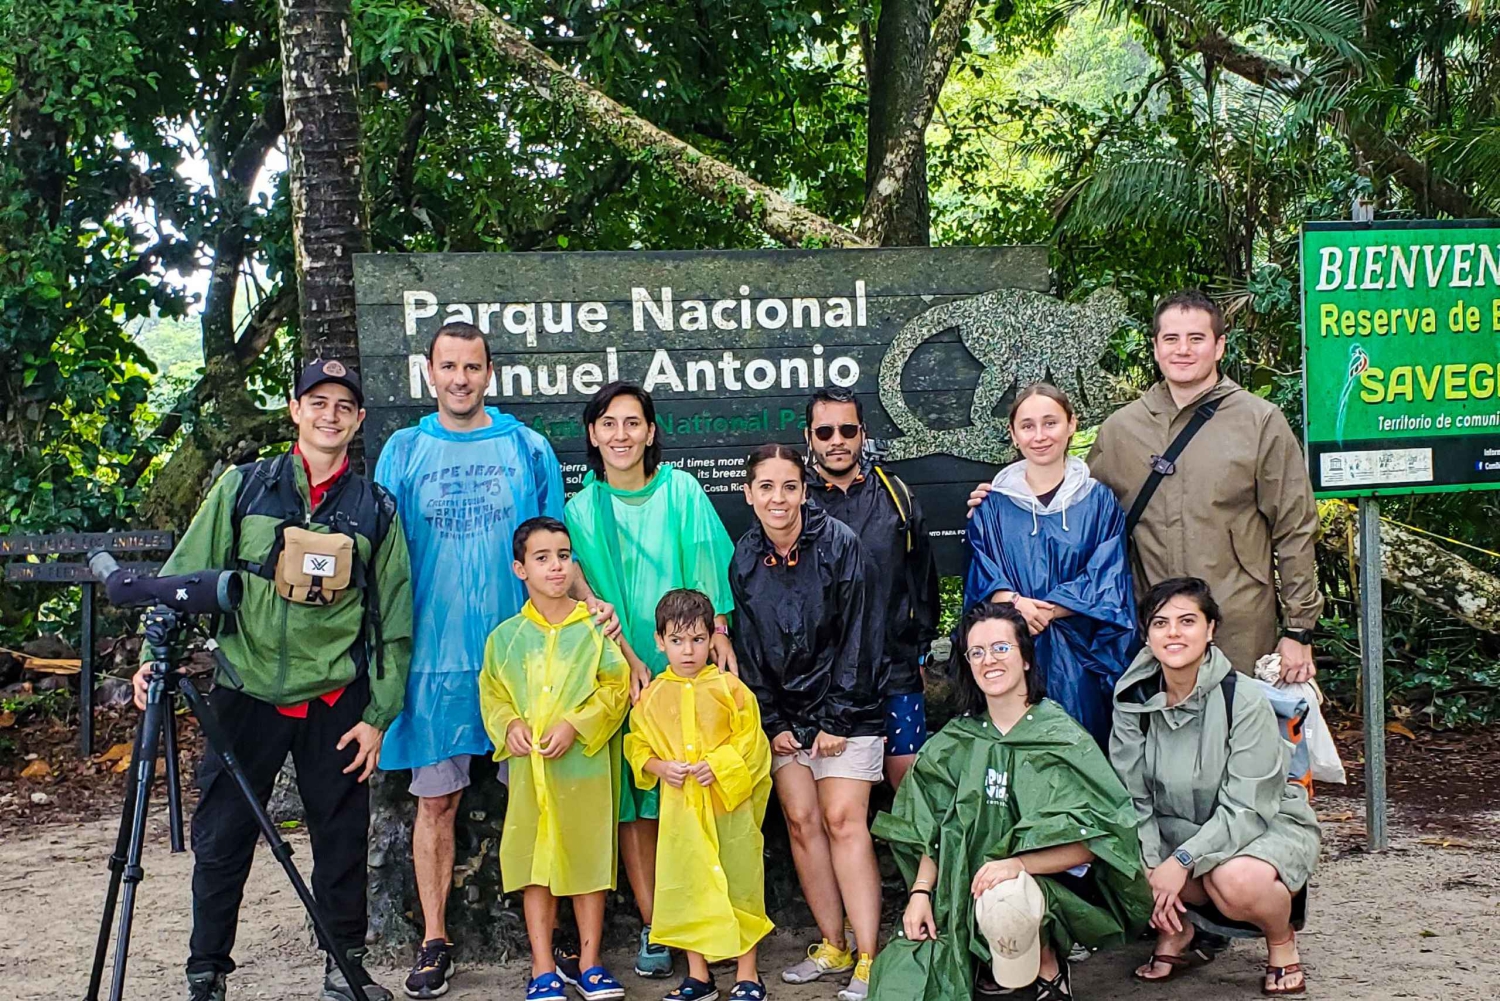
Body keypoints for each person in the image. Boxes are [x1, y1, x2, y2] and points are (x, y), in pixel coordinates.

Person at [132, 359, 413, 1001]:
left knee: (341, 841)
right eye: (317, 401)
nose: (330, 414)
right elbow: (184, 577)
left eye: (343, 405)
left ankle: (345, 970)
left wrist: (378, 716)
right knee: (222, 836)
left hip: (336, 699)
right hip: (245, 692)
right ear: (295, 410)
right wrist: (154, 654)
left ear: (359, 419)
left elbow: (396, 622)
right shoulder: (243, 488)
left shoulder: (377, 510)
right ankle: (207, 970)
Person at [969, 290, 1323, 683]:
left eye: (1196, 338)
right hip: (1147, 623)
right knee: (1158, 736)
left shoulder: (1259, 422)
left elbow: (1295, 527)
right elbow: (1075, 510)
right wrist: (1004, 500)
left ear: (1219, 346)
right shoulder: (1122, 429)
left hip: (1236, 619)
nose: (1183, 350)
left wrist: (1298, 627)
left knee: (1236, 732)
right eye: (1171, 339)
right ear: (1155, 348)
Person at [374, 320, 568, 999]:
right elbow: (381, 561)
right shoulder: (401, 452)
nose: (460, 378)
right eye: (448, 366)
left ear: (491, 372)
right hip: (432, 664)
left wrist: (588, 620)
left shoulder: (527, 447)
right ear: (429, 371)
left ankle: (551, 939)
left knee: (538, 797)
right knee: (437, 802)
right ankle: (434, 938)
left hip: (522, 659)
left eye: (473, 366)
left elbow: (555, 553)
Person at [868, 602, 1151, 1001]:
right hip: (960, 892)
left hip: (1045, 893)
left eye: (1001, 648)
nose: (989, 661)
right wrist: (919, 894)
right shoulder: (954, 742)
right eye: (977, 652)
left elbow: (1097, 841)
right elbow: (931, 828)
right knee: (902, 982)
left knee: (1005, 900)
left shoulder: (1060, 738)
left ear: (1026, 658)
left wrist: (1017, 865)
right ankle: (988, 959)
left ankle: (1044, 967)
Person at [563, 381, 737, 979]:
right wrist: (631, 663)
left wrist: (715, 637)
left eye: (632, 423)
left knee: (693, 795)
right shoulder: (580, 510)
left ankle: (709, 919)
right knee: (636, 803)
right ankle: (657, 923)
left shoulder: (682, 492)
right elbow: (586, 598)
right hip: (618, 674)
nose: (620, 434)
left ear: (651, 431)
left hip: (685, 669)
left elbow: (708, 570)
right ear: (592, 433)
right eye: (608, 423)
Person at [1111, 577, 1320, 995]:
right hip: (1173, 831)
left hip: (1257, 829)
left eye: (1187, 621)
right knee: (1121, 864)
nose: (1173, 633)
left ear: (1210, 630)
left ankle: (1281, 942)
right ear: (1146, 634)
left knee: (1235, 880)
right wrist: (1154, 864)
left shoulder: (1241, 697)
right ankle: (1179, 928)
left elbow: (1247, 805)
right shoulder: (1132, 697)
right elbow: (1131, 795)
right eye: (1160, 623)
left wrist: (1182, 860)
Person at [730, 443, 883, 1001]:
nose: (778, 498)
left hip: (848, 709)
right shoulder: (744, 558)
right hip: (786, 718)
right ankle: (832, 943)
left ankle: (869, 957)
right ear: (748, 494)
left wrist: (838, 716)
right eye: (765, 487)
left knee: (843, 820)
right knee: (801, 822)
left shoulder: (842, 547)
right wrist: (772, 720)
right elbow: (749, 649)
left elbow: (862, 637)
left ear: (804, 490)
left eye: (789, 486)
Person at [478, 517, 631, 1001]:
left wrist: (577, 725)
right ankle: (542, 965)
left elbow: (615, 687)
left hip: (583, 770)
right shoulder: (505, 638)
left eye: (563, 556)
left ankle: (590, 961)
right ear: (519, 569)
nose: (556, 567)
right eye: (542, 558)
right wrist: (510, 726)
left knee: (588, 861)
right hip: (531, 774)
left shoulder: (595, 628)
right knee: (534, 866)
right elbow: (493, 694)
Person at [964, 383, 1136, 747]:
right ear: (1013, 434)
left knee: (1080, 750)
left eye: (1050, 423)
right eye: (1027, 426)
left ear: (1072, 424)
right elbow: (982, 572)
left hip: (1080, 660)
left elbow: (1107, 576)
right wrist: (1016, 604)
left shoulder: (1098, 501)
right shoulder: (993, 506)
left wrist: (1048, 610)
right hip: (1011, 654)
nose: (1040, 436)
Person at [624, 589, 774, 1001]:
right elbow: (637, 745)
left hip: (729, 810)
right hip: (682, 814)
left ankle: (748, 974)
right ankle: (698, 975)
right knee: (687, 886)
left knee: (739, 882)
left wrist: (721, 765)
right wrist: (660, 768)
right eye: (676, 641)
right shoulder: (653, 696)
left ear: (712, 638)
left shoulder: (730, 689)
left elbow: (752, 743)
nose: (687, 651)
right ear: (659, 641)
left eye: (696, 640)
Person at [804, 388, 939, 789]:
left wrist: (922, 647)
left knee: (911, 785)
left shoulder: (897, 495)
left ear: (863, 433)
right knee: (838, 795)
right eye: (824, 432)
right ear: (809, 437)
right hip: (825, 680)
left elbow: (923, 576)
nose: (837, 441)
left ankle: (919, 855)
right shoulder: (794, 500)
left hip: (895, 666)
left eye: (847, 429)